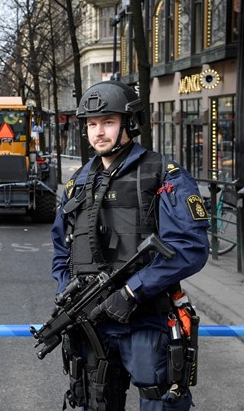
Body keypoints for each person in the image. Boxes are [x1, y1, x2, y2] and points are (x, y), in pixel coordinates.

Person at [50, 80, 209, 411]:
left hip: (145, 321)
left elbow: (190, 247)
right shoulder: (78, 182)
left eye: (108, 122)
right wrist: (68, 291)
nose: (98, 132)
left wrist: (133, 291)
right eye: (92, 124)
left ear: (130, 123)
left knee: (158, 399)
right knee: (94, 402)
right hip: (92, 325)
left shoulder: (163, 174)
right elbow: (61, 249)